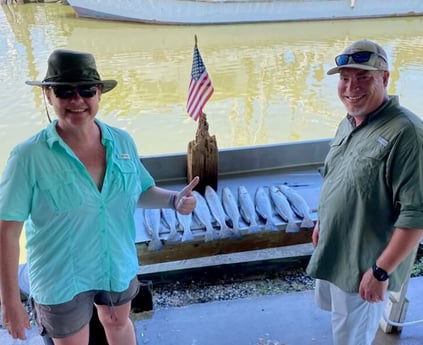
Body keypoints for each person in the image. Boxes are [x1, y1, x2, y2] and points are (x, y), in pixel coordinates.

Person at [0, 49, 199, 345]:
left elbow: (140, 190)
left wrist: (174, 201)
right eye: (65, 91)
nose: (77, 100)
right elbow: (7, 231)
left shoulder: (121, 141)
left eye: (86, 90)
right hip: (60, 278)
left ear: (99, 94)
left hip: (115, 263)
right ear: (48, 95)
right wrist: (11, 302)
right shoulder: (27, 156)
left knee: (118, 323)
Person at [306, 39, 423, 345]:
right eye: (345, 78)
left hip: (366, 263)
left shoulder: (406, 133)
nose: (350, 87)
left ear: (385, 78)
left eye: (363, 77)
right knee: (340, 324)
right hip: (335, 250)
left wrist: (381, 271)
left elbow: (416, 215)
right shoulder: (349, 122)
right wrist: (323, 221)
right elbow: (339, 177)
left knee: (351, 339)